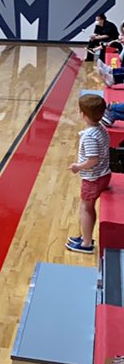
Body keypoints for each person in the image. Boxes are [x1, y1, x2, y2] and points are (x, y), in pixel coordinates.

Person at [65, 93, 111, 254]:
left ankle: (86, 243)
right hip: (104, 174)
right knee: (88, 207)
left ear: (82, 114)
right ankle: (85, 236)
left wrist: (78, 167)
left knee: (86, 207)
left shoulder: (90, 136)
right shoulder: (101, 129)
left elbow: (93, 160)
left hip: (93, 178)